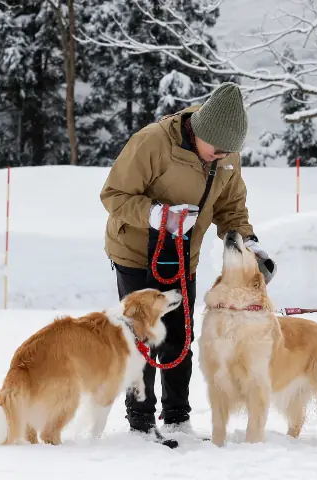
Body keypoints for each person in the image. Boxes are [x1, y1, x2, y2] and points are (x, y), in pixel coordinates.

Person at [99, 82, 277, 447]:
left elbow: (231, 209)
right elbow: (113, 195)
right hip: (135, 253)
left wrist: (249, 245)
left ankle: (178, 417)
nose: (222, 157)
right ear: (198, 132)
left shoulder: (225, 154)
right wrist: (156, 216)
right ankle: (141, 423)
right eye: (217, 150)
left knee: (180, 337)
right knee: (142, 337)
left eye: (229, 152)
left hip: (183, 257)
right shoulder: (152, 143)